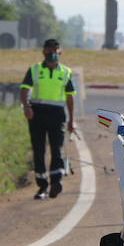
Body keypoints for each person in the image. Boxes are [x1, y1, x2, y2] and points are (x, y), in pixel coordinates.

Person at [19, 38, 76, 200]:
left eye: (55, 50)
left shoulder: (65, 72)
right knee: (39, 150)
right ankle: (42, 185)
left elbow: (70, 97)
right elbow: (24, 90)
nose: (52, 53)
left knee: (57, 149)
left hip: (57, 115)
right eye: (49, 50)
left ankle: (56, 182)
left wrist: (72, 120)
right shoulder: (34, 70)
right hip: (37, 114)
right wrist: (26, 107)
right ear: (43, 52)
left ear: (60, 52)